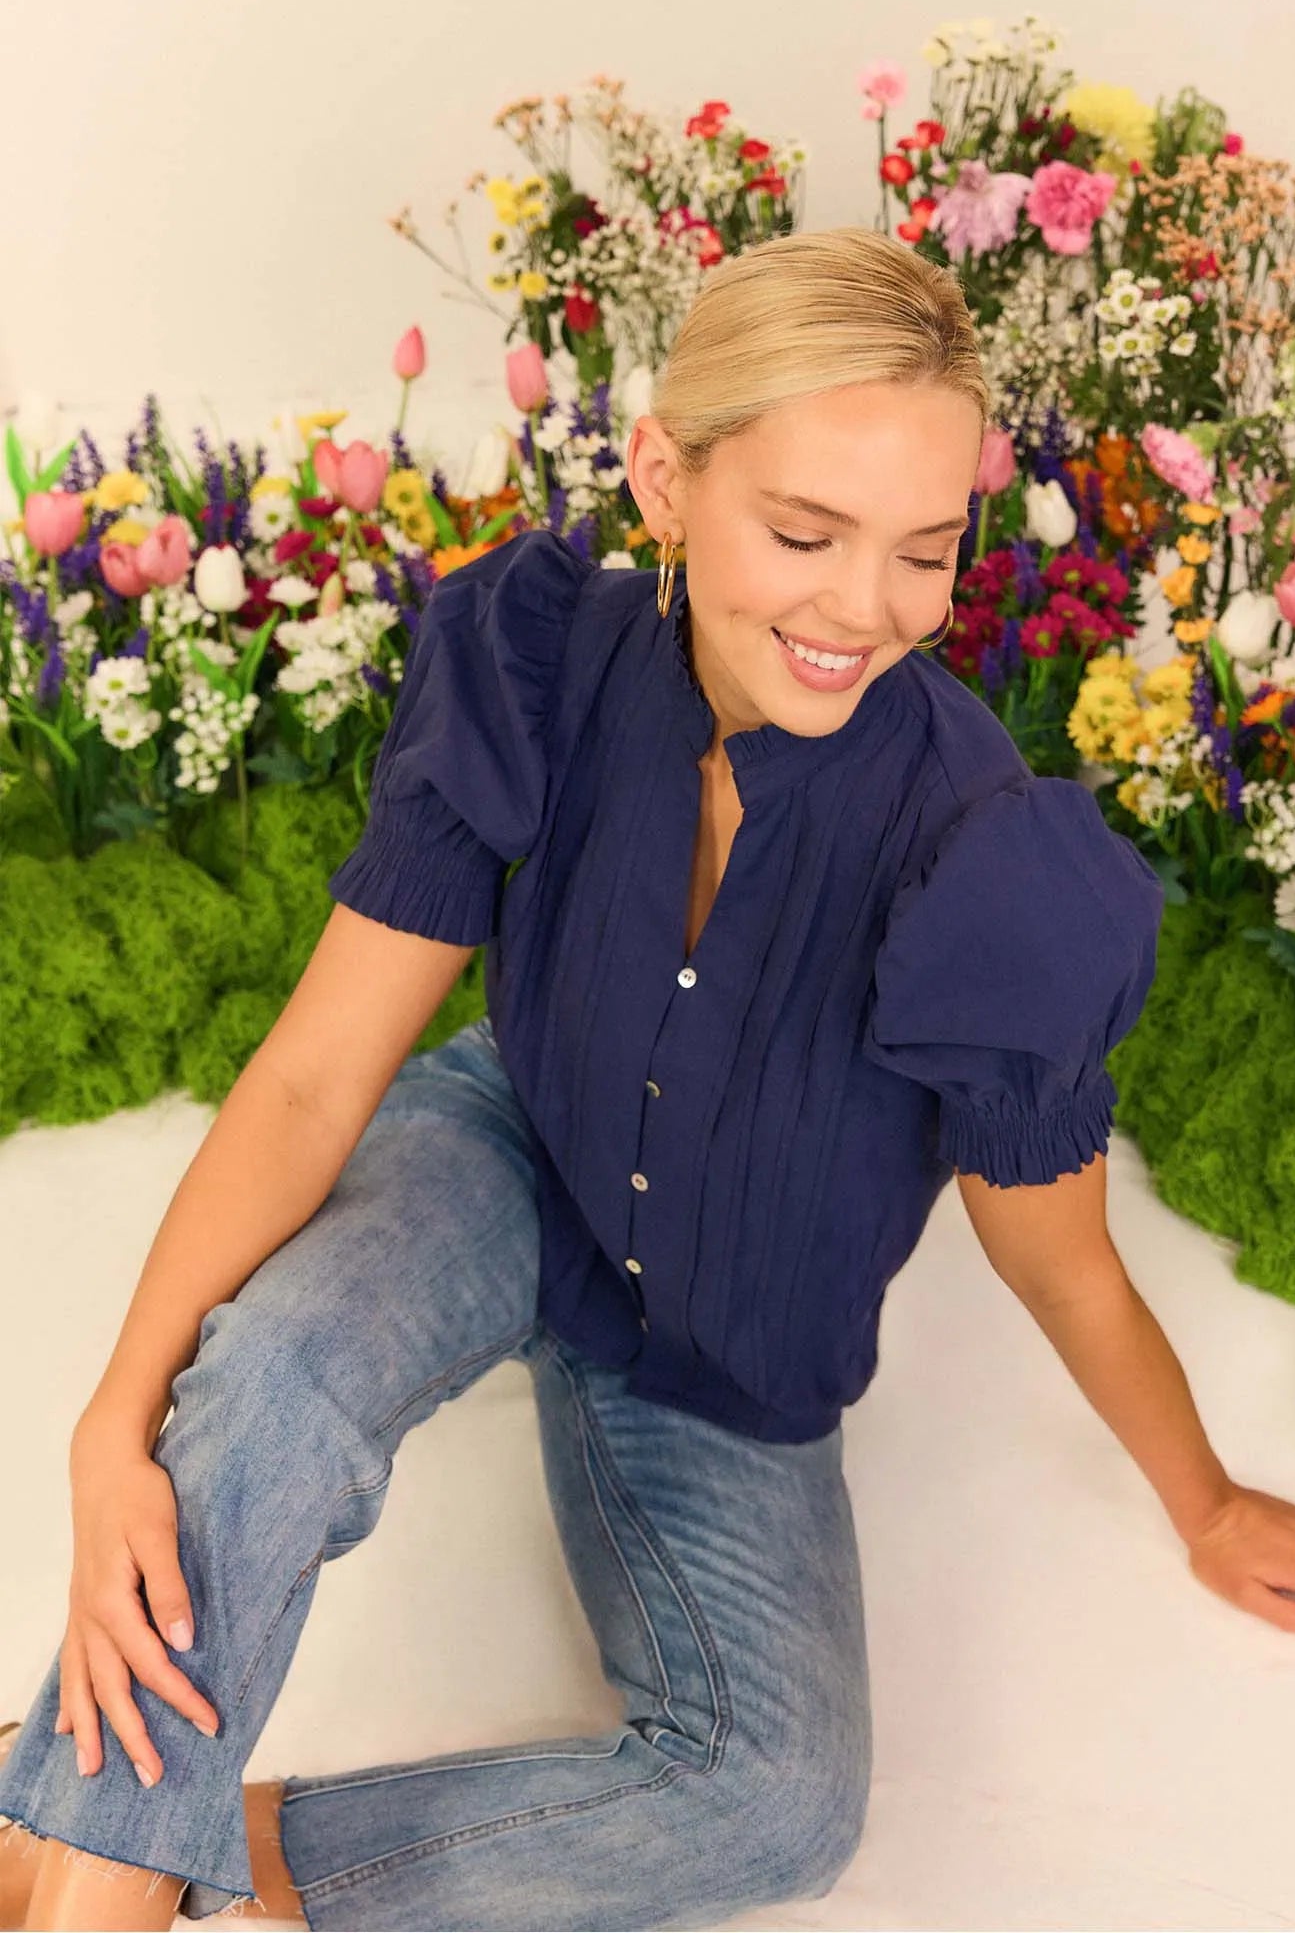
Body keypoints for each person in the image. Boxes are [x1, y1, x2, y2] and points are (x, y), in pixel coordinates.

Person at [0, 226, 1171, 1930]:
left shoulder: (977, 849)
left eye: (926, 554)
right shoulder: (541, 664)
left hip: (724, 1360)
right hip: (511, 1153)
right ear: (661, 477)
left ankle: (111, 1833)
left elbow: (1062, 1264)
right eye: (801, 532)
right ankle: (91, 1893)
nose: (866, 608)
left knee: (775, 1807)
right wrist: (114, 1422)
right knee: (277, 1375)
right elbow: (318, 1080)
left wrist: (1201, 1506)